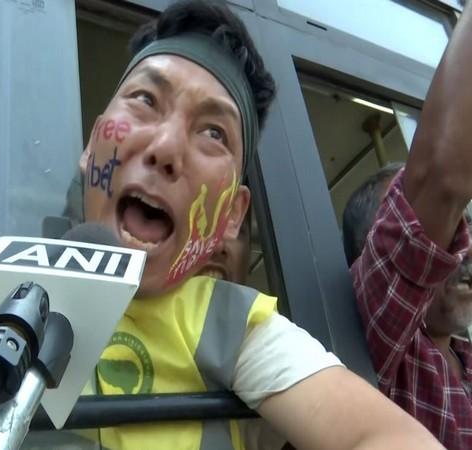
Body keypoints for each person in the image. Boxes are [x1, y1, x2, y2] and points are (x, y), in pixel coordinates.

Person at [81, 1, 441, 448]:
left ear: (232, 215)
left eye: (213, 133)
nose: (166, 148)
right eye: (145, 100)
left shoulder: (232, 326)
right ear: (90, 144)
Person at [347, 4, 472, 447]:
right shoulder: (382, 347)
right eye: (435, 234)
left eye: (459, 227)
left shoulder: (465, 353)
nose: (458, 252)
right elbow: (441, 178)